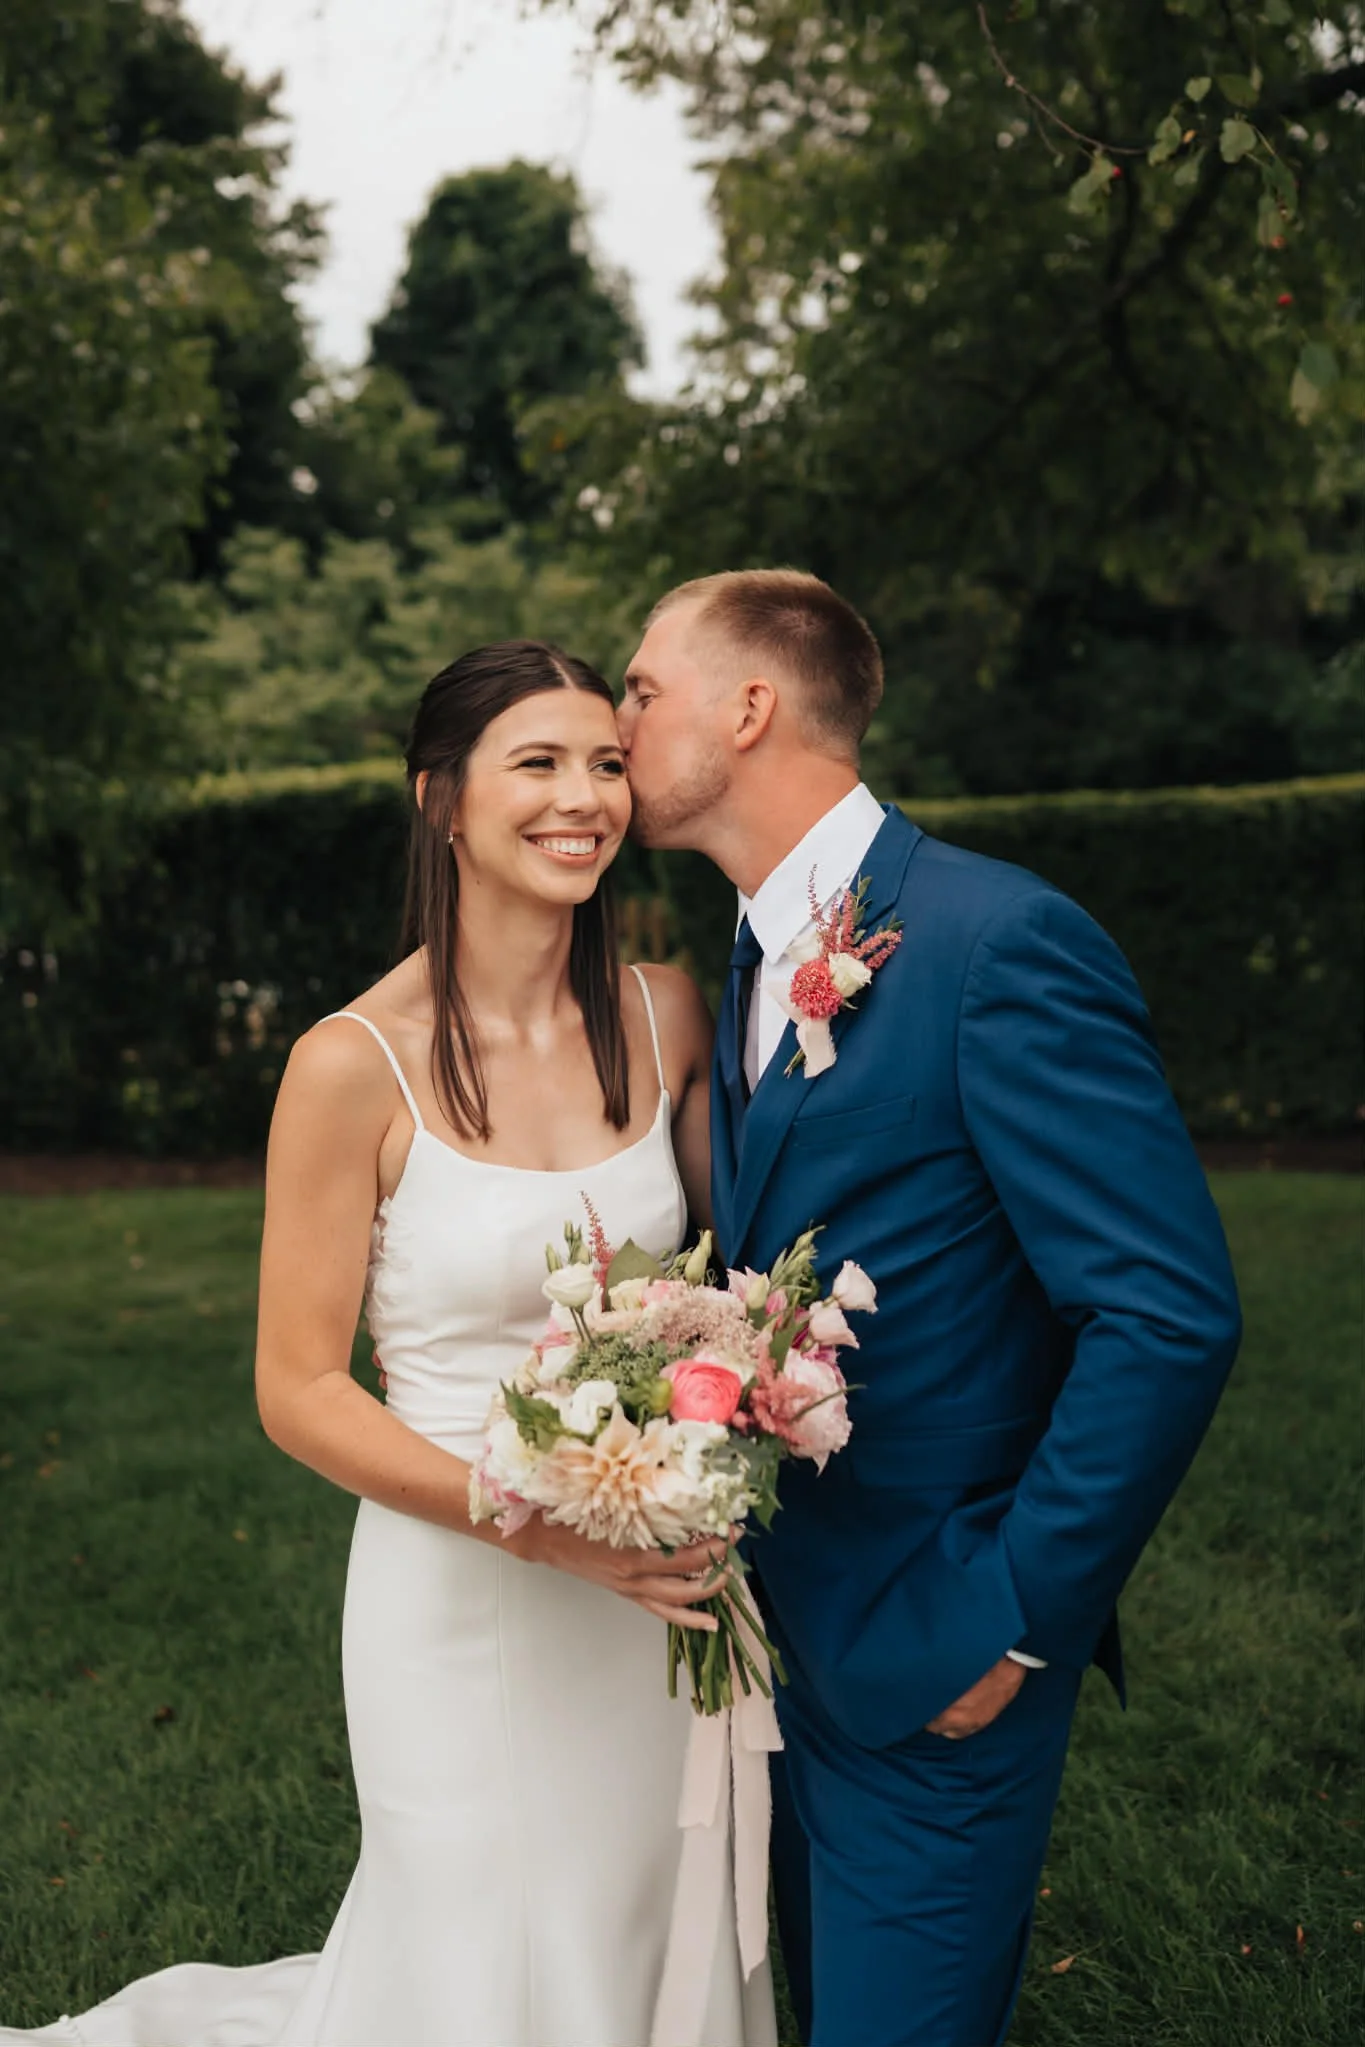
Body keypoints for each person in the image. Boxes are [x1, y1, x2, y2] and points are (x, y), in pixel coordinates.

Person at [2, 641, 776, 2047]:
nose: (584, 795)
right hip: (458, 1586)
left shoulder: (668, 1015)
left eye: (606, 760)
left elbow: (738, 1279)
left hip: (661, 1573)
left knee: (637, 1904)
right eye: (536, 762)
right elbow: (297, 1390)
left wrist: (729, 1414)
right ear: (441, 800)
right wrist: (535, 1525)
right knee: (474, 1935)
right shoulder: (353, 1061)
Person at [618, 570, 1243, 2047]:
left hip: (942, 1634)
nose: (615, 716)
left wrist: (1017, 1617)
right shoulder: (754, 958)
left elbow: (1166, 1310)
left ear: (750, 706)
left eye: (643, 689)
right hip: (786, 1635)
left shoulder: (994, 941)